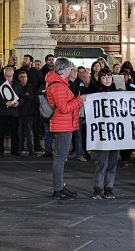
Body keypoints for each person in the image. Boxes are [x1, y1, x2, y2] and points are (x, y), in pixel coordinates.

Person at [46, 57, 83, 200]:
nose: (72, 70)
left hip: (64, 124)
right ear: (65, 69)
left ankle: (60, 186)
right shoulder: (58, 86)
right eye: (71, 68)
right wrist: (80, 100)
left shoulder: (60, 83)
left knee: (61, 157)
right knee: (60, 158)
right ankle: (58, 189)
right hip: (62, 125)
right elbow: (64, 108)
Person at [88, 71, 120, 199]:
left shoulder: (117, 91)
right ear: (99, 78)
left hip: (115, 133)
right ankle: (98, 188)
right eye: (104, 77)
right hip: (101, 133)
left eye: (109, 77)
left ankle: (109, 188)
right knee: (102, 163)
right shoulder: (94, 91)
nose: (107, 79)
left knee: (112, 163)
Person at [0, 66, 23, 157]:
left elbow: (22, 97)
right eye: (6, 76)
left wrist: (18, 103)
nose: (8, 78)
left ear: (13, 74)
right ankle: (0, 152)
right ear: (4, 75)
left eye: (10, 76)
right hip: (3, 111)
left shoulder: (18, 84)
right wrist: (6, 102)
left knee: (15, 132)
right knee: (1, 132)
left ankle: (14, 151)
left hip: (14, 112)